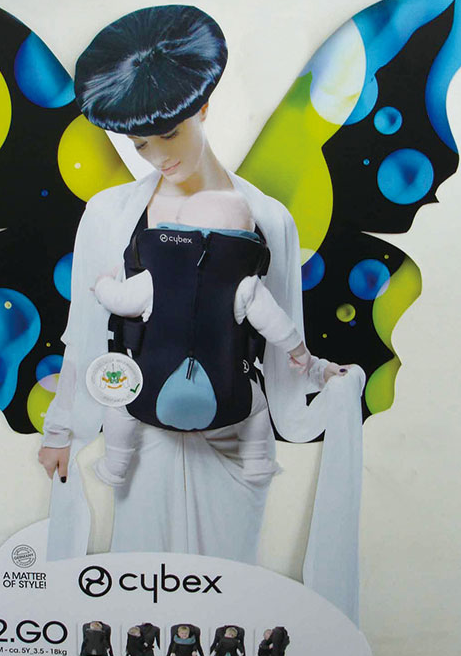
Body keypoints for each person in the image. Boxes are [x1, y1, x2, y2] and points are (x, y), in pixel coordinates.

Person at [37, 5, 366, 624]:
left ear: (203, 108)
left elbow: (281, 338)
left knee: (228, 597)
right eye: (140, 144)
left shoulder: (268, 220)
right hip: (142, 434)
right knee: (143, 592)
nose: (157, 157)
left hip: (236, 441)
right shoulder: (109, 215)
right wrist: (63, 430)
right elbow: (88, 331)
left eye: (168, 134)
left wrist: (325, 377)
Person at [90, 189, 345, 485]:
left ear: (178, 227)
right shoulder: (246, 284)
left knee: (120, 403)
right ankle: (257, 462)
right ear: (244, 239)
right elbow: (278, 326)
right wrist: (301, 354)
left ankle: (115, 466)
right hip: (226, 401)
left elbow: (119, 301)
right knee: (258, 407)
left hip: (148, 396)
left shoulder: (154, 276)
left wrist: (103, 284)